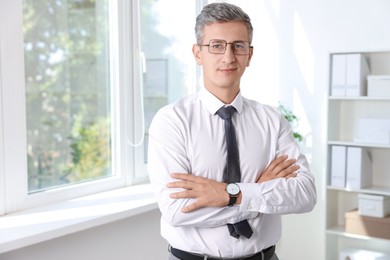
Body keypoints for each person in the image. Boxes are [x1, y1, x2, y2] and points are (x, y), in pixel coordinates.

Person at [148, 2, 316, 260]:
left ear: (249, 54)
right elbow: (177, 210)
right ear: (197, 54)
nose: (228, 57)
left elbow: (304, 194)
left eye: (238, 46)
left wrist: (227, 194)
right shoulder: (172, 121)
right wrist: (254, 196)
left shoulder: (272, 120)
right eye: (216, 45)